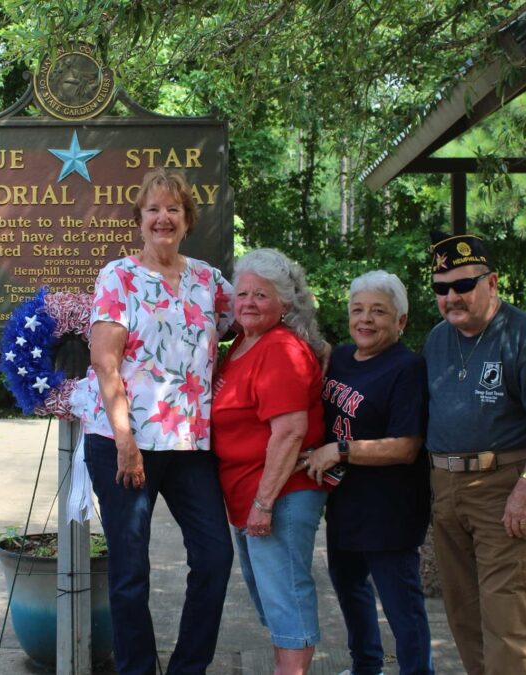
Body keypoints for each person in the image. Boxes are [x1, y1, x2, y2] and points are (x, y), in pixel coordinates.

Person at [81, 167, 235, 674]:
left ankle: (188, 668)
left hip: (191, 445)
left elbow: (255, 321)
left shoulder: (211, 281)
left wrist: (311, 348)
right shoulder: (118, 276)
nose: (163, 218)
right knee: (130, 574)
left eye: (173, 209)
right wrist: (126, 441)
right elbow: (106, 361)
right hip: (126, 445)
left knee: (214, 558)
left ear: (187, 220)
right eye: (153, 209)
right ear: (140, 220)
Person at [423, 231, 526, 674]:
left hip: (504, 490)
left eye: (464, 285)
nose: (452, 296)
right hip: (447, 491)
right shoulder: (436, 340)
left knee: (508, 624)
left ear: (493, 283)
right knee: (465, 620)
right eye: (441, 288)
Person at [300, 270, 432, 675]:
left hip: (390, 508)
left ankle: (417, 671)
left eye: (378, 311)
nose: (366, 319)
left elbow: (406, 447)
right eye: (358, 310)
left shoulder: (406, 368)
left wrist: (338, 450)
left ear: (400, 321)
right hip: (345, 503)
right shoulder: (339, 358)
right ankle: (365, 666)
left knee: (400, 603)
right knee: (350, 589)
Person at [210, 248, 327, 675]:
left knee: (285, 597)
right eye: (242, 294)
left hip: (279, 495)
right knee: (270, 599)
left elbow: (290, 432)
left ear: (284, 303)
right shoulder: (242, 341)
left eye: (262, 295)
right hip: (249, 494)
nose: (248, 303)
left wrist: (263, 503)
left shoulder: (280, 349)